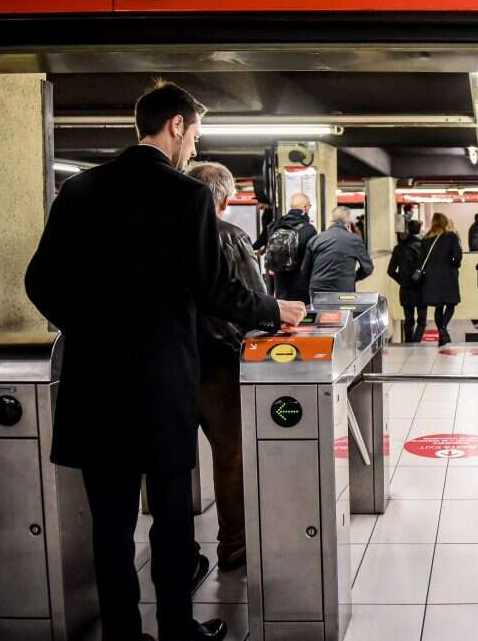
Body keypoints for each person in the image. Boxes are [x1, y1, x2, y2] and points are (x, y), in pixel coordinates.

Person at [25, 81, 307, 641]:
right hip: (161, 386)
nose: (195, 150)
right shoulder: (186, 197)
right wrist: (275, 309)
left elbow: (39, 282)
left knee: (112, 525)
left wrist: (90, 329)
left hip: (94, 385)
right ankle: (177, 629)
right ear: (175, 126)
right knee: (171, 520)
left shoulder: (80, 190)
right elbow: (215, 290)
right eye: (195, 135)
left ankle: (124, 635)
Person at [187, 162, 261, 574]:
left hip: (173, 364)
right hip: (220, 364)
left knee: (172, 462)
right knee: (230, 455)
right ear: (226, 200)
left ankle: (180, 555)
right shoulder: (231, 236)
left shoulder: (167, 235)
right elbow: (254, 299)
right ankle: (233, 545)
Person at [302, 205, 375, 294]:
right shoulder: (355, 240)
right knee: (343, 308)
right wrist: (353, 278)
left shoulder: (315, 239)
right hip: (343, 289)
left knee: (319, 308)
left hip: (317, 290)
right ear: (348, 223)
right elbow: (368, 268)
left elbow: (304, 270)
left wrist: (317, 280)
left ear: (331, 220)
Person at [420, 213, 463, 347]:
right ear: (445, 223)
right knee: (450, 304)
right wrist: (455, 264)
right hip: (448, 276)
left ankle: (441, 332)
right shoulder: (451, 237)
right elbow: (457, 257)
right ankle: (443, 329)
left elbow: (421, 261)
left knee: (438, 306)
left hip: (431, 278)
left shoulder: (426, 239)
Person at [264, 192, 317, 302]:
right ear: (305, 207)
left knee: (284, 314)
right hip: (300, 283)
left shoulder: (275, 226)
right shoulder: (309, 229)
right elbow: (312, 258)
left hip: (280, 282)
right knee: (301, 315)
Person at [386, 219, 428, 343]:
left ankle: (409, 343)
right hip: (421, 288)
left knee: (408, 320)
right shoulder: (424, 247)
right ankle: (416, 342)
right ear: (419, 230)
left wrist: (403, 281)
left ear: (408, 230)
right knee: (422, 320)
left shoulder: (399, 248)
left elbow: (390, 271)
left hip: (406, 289)